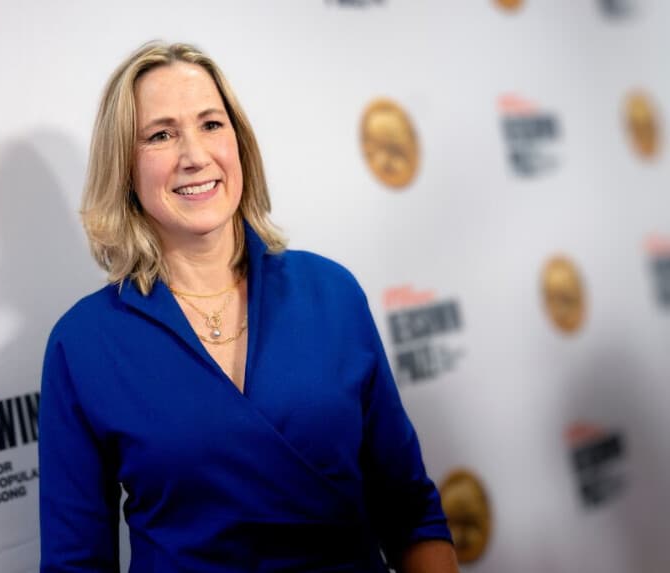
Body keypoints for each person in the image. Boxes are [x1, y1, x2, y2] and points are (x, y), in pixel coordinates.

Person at [40, 41, 458, 573]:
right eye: (161, 135)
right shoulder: (84, 343)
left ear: (239, 142)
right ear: (124, 167)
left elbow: (409, 510)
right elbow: (76, 564)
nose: (195, 155)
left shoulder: (330, 292)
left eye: (211, 124)